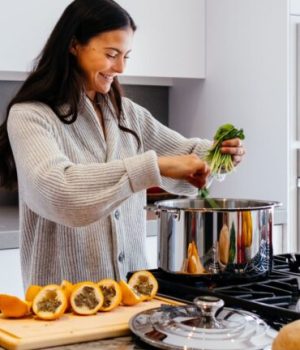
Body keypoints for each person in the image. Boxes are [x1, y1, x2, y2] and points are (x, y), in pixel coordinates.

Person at [0, 0, 245, 289]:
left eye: (126, 56)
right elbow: (59, 192)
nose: (120, 67)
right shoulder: (31, 115)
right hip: (63, 307)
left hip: (132, 300)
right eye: (111, 54)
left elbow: (185, 155)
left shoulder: (127, 113)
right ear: (73, 45)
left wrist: (219, 154)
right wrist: (153, 167)